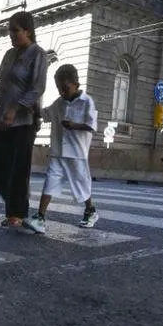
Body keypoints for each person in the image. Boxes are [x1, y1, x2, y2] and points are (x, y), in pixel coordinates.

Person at [0, 11, 49, 228]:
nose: (11, 35)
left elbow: (37, 88)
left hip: (23, 121)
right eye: (10, 31)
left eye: (16, 30)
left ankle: (17, 213)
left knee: (18, 169)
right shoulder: (8, 54)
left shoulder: (38, 54)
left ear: (28, 30)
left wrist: (15, 109)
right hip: (0, 119)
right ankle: (13, 202)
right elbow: (1, 87)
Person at [26, 65, 99, 234]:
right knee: (50, 182)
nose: (61, 92)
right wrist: (32, 106)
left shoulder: (87, 102)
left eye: (65, 88)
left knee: (81, 185)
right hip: (58, 152)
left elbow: (91, 125)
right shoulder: (59, 103)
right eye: (59, 88)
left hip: (77, 153)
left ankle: (91, 211)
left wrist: (74, 125)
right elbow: (45, 114)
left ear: (76, 83)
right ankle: (40, 218)